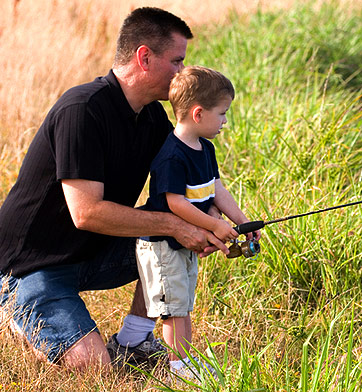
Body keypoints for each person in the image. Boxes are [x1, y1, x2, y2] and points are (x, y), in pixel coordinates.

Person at [0, 7, 229, 370]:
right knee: (95, 367)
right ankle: (16, 312)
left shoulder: (153, 118)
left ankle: (134, 339)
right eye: (177, 61)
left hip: (93, 253)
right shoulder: (82, 109)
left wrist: (212, 222)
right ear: (144, 57)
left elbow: (184, 184)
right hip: (30, 266)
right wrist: (177, 226)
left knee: (167, 241)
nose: (183, 73)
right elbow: (86, 212)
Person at [136, 65, 261, 379]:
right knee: (175, 309)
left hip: (184, 246)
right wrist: (214, 226)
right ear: (197, 114)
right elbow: (173, 203)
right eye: (222, 113)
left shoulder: (206, 148)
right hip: (163, 246)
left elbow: (216, 188)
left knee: (183, 304)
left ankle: (160, 353)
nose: (225, 121)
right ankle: (180, 368)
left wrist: (242, 221)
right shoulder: (172, 156)